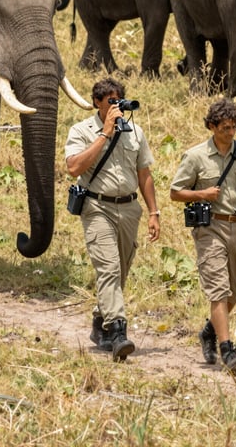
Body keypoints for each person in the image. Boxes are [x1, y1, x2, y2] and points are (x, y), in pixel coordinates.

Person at [65, 77, 160, 362]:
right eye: (110, 102)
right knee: (108, 268)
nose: (115, 107)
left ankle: (100, 320)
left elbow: (144, 174)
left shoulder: (135, 132)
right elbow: (73, 167)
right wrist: (104, 134)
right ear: (97, 102)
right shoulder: (81, 130)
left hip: (129, 209)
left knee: (120, 271)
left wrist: (154, 212)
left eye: (119, 101)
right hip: (97, 207)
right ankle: (118, 331)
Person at [170, 98, 236, 373]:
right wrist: (202, 193)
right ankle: (227, 349)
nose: (231, 132)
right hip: (210, 228)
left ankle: (209, 331)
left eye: (234, 126)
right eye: (225, 127)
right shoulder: (195, 156)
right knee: (218, 289)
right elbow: (175, 192)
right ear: (212, 126)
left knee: (234, 290)